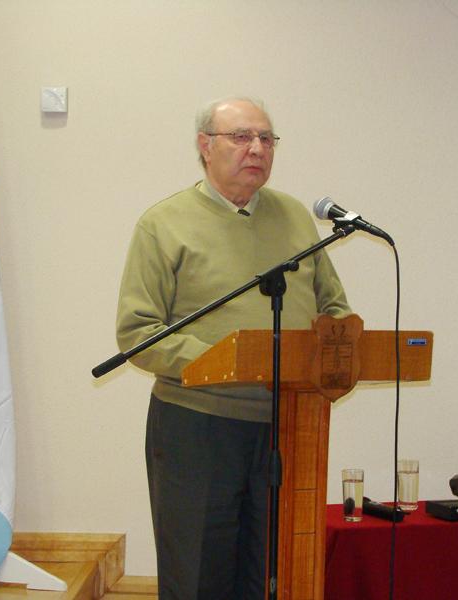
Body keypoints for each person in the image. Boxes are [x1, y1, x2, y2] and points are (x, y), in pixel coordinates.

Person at [115, 97, 350, 600]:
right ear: (205, 146)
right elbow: (138, 333)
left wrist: (338, 346)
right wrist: (227, 360)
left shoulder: (293, 217)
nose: (257, 149)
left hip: (289, 428)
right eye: (241, 137)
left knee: (273, 576)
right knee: (200, 575)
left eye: (266, 139)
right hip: (197, 427)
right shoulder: (164, 223)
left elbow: (333, 308)